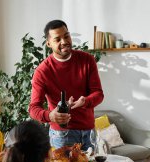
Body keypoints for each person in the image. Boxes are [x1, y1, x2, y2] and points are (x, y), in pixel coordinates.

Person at [29, 19, 104, 151]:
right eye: (57, 39)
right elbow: (33, 108)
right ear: (48, 43)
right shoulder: (42, 71)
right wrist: (50, 116)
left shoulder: (87, 60)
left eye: (66, 36)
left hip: (89, 132)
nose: (64, 42)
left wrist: (85, 101)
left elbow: (98, 94)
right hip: (62, 135)